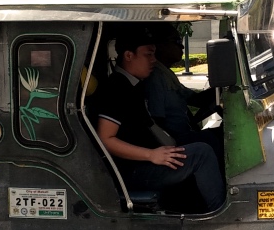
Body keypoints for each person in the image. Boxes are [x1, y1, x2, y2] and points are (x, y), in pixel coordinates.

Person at [93, 28, 225, 213]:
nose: (153, 60)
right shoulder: (117, 89)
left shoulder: (134, 86)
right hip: (134, 169)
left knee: (207, 141)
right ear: (129, 55)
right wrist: (151, 155)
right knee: (202, 152)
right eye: (148, 55)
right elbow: (105, 139)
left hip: (149, 158)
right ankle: (220, 212)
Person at [144, 25, 224, 164]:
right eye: (176, 41)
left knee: (220, 134)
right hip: (175, 141)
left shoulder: (166, 73)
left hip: (186, 134)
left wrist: (221, 86)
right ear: (160, 45)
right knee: (215, 139)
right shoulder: (155, 77)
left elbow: (195, 99)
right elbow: (156, 121)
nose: (181, 47)